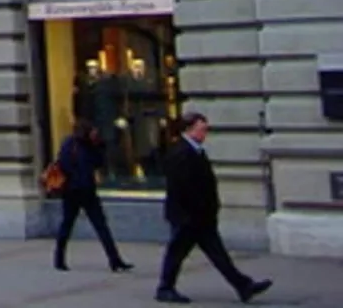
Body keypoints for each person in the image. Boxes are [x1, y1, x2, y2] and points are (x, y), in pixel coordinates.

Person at [155, 112, 272, 304]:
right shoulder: (181, 152)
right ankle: (165, 287)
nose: (205, 133)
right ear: (189, 129)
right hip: (188, 216)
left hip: (201, 216)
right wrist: (191, 213)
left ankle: (243, 286)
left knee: (217, 253)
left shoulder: (195, 150)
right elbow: (181, 188)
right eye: (202, 129)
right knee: (177, 252)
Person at [52, 119, 133, 273]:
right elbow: (81, 165)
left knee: (94, 225)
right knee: (75, 225)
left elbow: (97, 163)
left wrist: (98, 146)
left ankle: (114, 259)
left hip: (78, 191)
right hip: (78, 191)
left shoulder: (74, 144)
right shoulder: (76, 145)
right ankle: (60, 258)